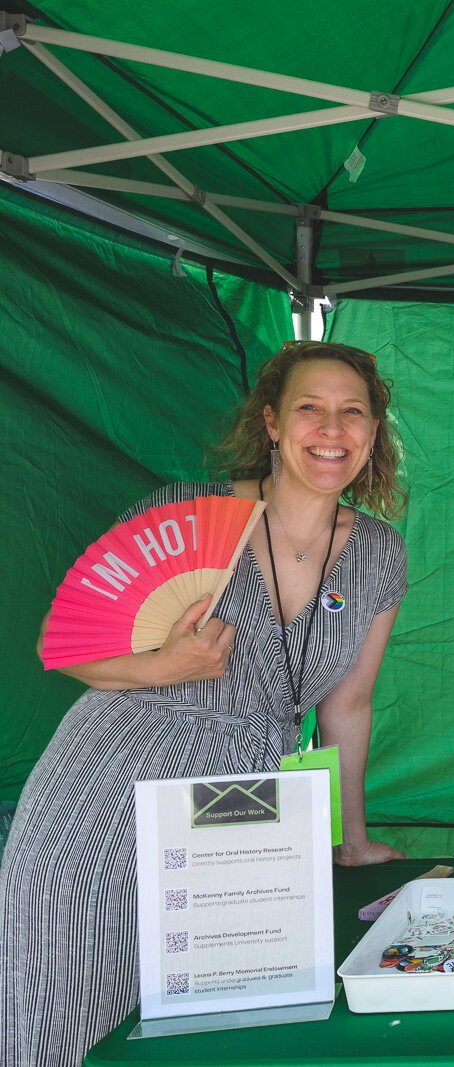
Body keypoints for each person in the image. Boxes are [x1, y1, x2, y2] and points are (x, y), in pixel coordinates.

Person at [1, 340, 409, 1067]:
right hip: (112, 784)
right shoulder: (186, 512)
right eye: (309, 408)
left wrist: (350, 839)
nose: (332, 429)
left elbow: (348, 705)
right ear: (273, 424)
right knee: (66, 994)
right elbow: (62, 647)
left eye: (353, 412)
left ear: (373, 433)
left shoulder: (380, 553)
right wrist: (166, 663)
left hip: (247, 802)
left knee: (217, 1014)